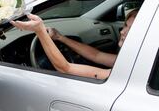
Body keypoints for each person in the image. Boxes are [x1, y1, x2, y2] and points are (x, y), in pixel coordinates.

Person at [10, 9, 139, 79]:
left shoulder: (129, 71)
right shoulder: (135, 59)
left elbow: (66, 68)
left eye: (131, 30)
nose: (122, 31)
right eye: (125, 26)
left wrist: (40, 31)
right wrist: (60, 37)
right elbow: (97, 55)